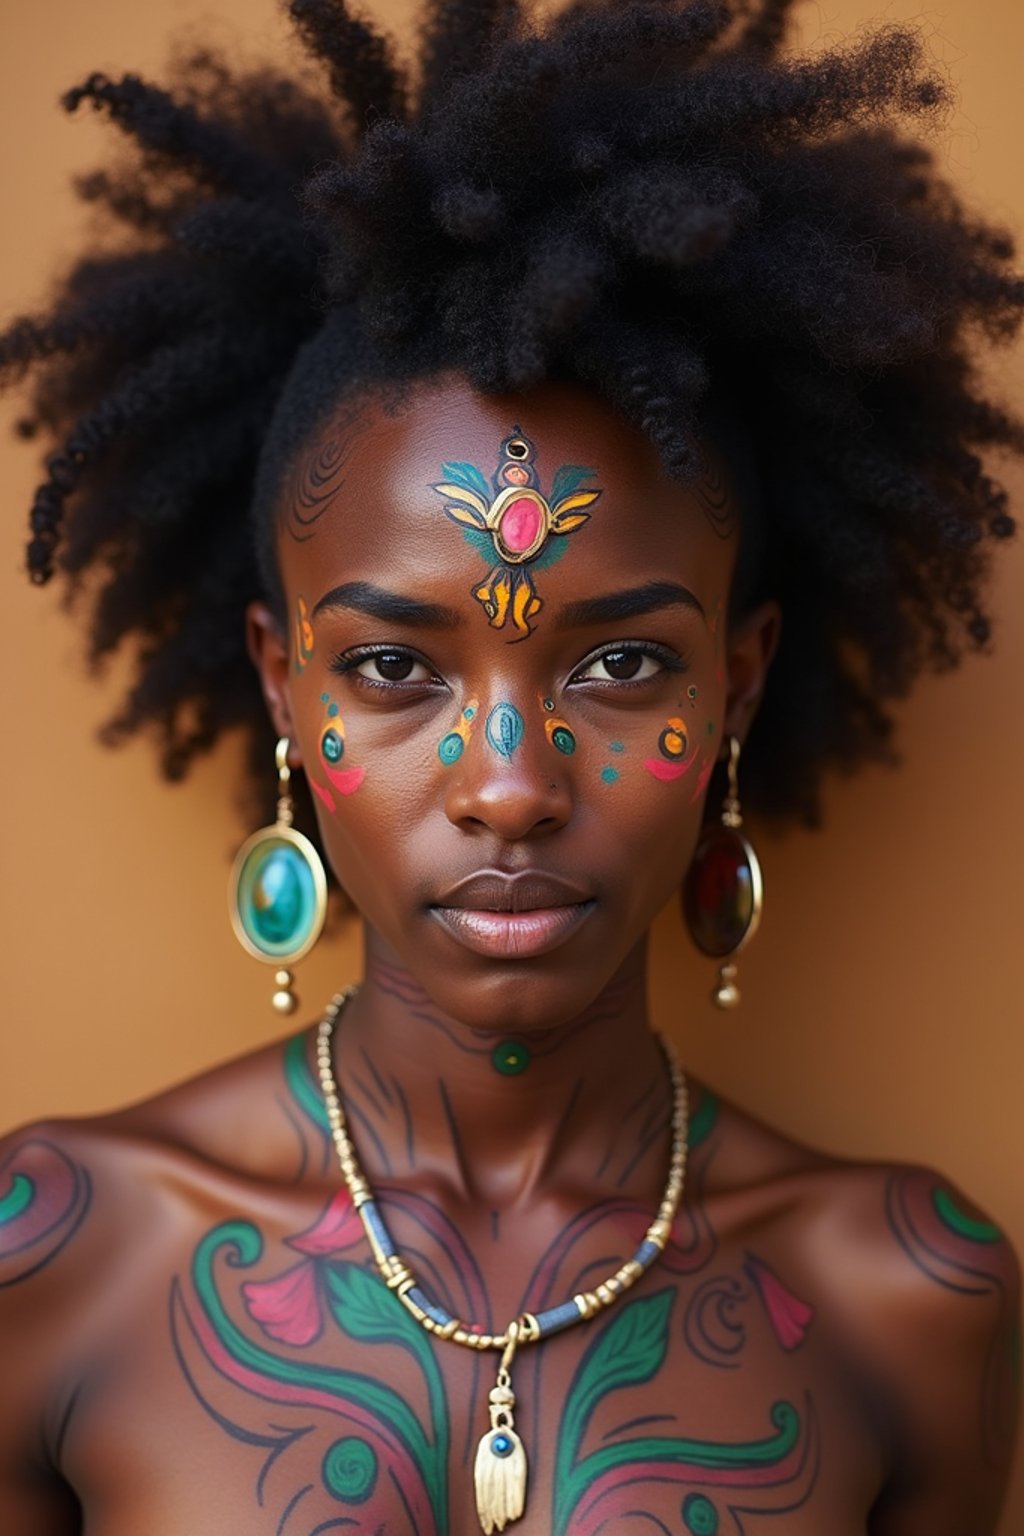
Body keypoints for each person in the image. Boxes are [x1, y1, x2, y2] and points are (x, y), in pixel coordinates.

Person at [1, 0, 1020, 1530]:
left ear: (737, 683)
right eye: (395, 668)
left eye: (621, 665)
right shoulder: (56, 1258)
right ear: (284, 685)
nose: (511, 786)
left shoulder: (912, 1299)